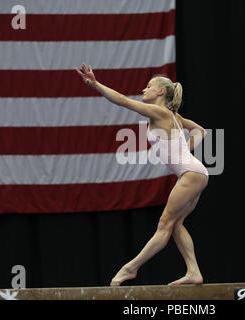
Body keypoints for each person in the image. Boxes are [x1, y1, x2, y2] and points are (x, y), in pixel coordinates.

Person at [76, 63, 209, 286]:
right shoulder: (174, 116)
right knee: (176, 225)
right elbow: (201, 131)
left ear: (161, 92)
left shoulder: (159, 111)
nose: (144, 89)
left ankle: (130, 268)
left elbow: (124, 101)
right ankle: (193, 271)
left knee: (164, 224)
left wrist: (96, 84)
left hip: (190, 174)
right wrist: (186, 152)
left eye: (149, 86)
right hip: (196, 173)